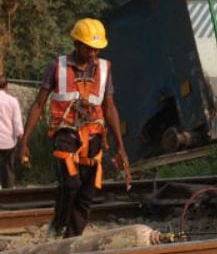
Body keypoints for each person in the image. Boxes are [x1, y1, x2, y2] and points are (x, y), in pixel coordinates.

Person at [18, 18, 127, 238]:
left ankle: (72, 239)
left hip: (94, 135)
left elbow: (109, 107)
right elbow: (39, 104)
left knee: (87, 192)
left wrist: (120, 147)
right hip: (65, 133)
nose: (93, 53)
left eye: (96, 49)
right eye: (89, 48)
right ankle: (58, 226)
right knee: (70, 183)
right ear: (77, 44)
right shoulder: (56, 67)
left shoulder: (105, 69)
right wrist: (25, 140)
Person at [0, 77, 24, 188]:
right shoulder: (13, 101)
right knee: (8, 168)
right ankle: (8, 191)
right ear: (6, 86)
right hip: (8, 141)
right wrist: (22, 142)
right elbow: (17, 123)